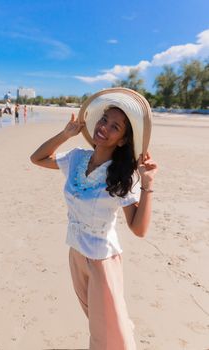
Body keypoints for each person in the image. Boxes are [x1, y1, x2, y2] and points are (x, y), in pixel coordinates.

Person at [30, 88, 158, 350]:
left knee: (110, 337)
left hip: (102, 261)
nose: (104, 128)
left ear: (122, 140)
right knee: (99, 324)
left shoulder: (121, 175)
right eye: (104, 120)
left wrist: (147, 184)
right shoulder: (76, 158)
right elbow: (38, 158)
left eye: (115, 127)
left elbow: (139, 229)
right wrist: (66, 134)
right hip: (75, 254)